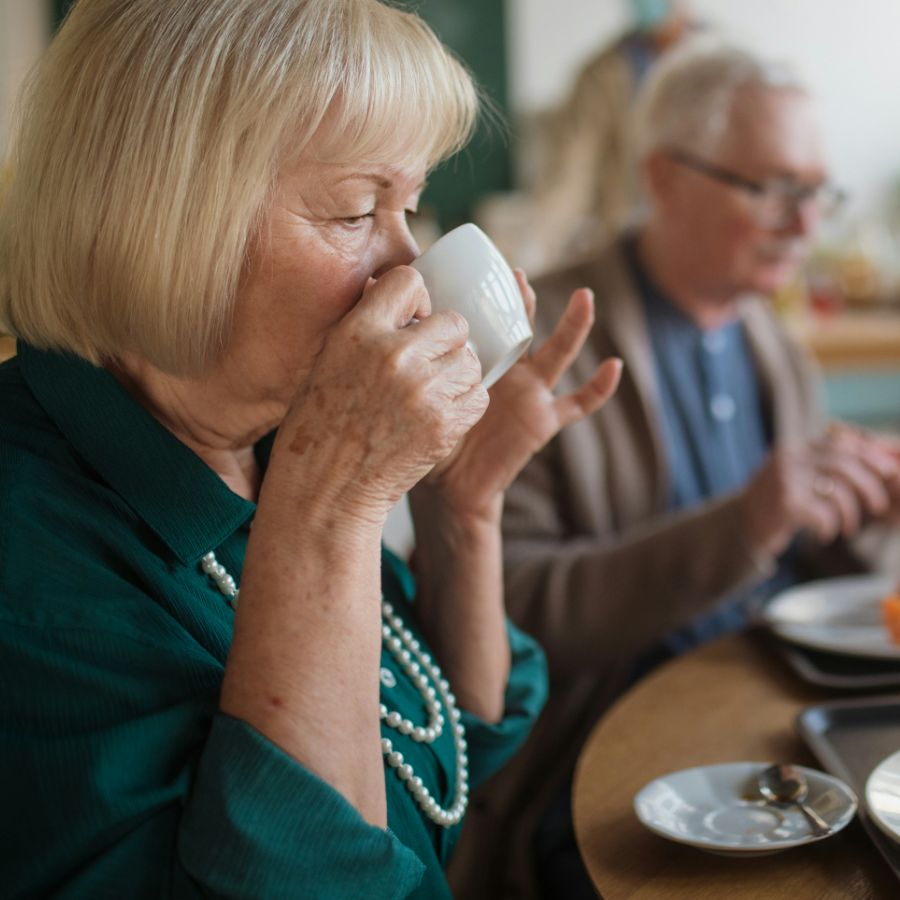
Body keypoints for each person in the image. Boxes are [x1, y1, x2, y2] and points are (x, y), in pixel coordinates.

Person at [0, 1, 623, 897]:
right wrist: (333, 509)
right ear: (165, 221)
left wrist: (460, 512)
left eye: (408, 206)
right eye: (353, 210)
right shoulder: (34, 568)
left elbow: (445, 761)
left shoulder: (268, 444)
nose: (410, 265)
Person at [450, 41, 900, 899]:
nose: (807, 224)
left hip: (769, 734)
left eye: (816, 192)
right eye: (770, 188)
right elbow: (513, 614)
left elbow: (803, 566)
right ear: (663, 177)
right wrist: (746, 524)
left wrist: (872, 513)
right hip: (595, 768)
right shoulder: (542, 342)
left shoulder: (774, 344)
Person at [528, 0, 696, 272]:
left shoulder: (726, 63)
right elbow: (569, 177)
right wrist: (532, 250)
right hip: (629, 246)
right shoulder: (601, 74)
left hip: (703, 240)